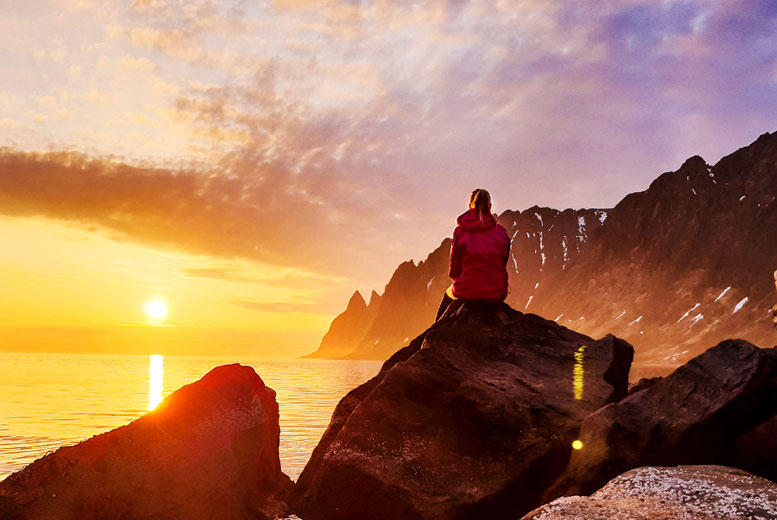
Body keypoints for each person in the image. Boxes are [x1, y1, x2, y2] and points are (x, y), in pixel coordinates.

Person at [436, 188, 511, 320]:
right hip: (496, 291)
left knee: (447, 296)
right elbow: (502, 262)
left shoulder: (460, 231)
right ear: (490, 206)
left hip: (467, 290)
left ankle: (436, 328)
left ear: (470, 204)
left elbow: (454, 268)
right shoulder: (501, 233)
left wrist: (462, 281)